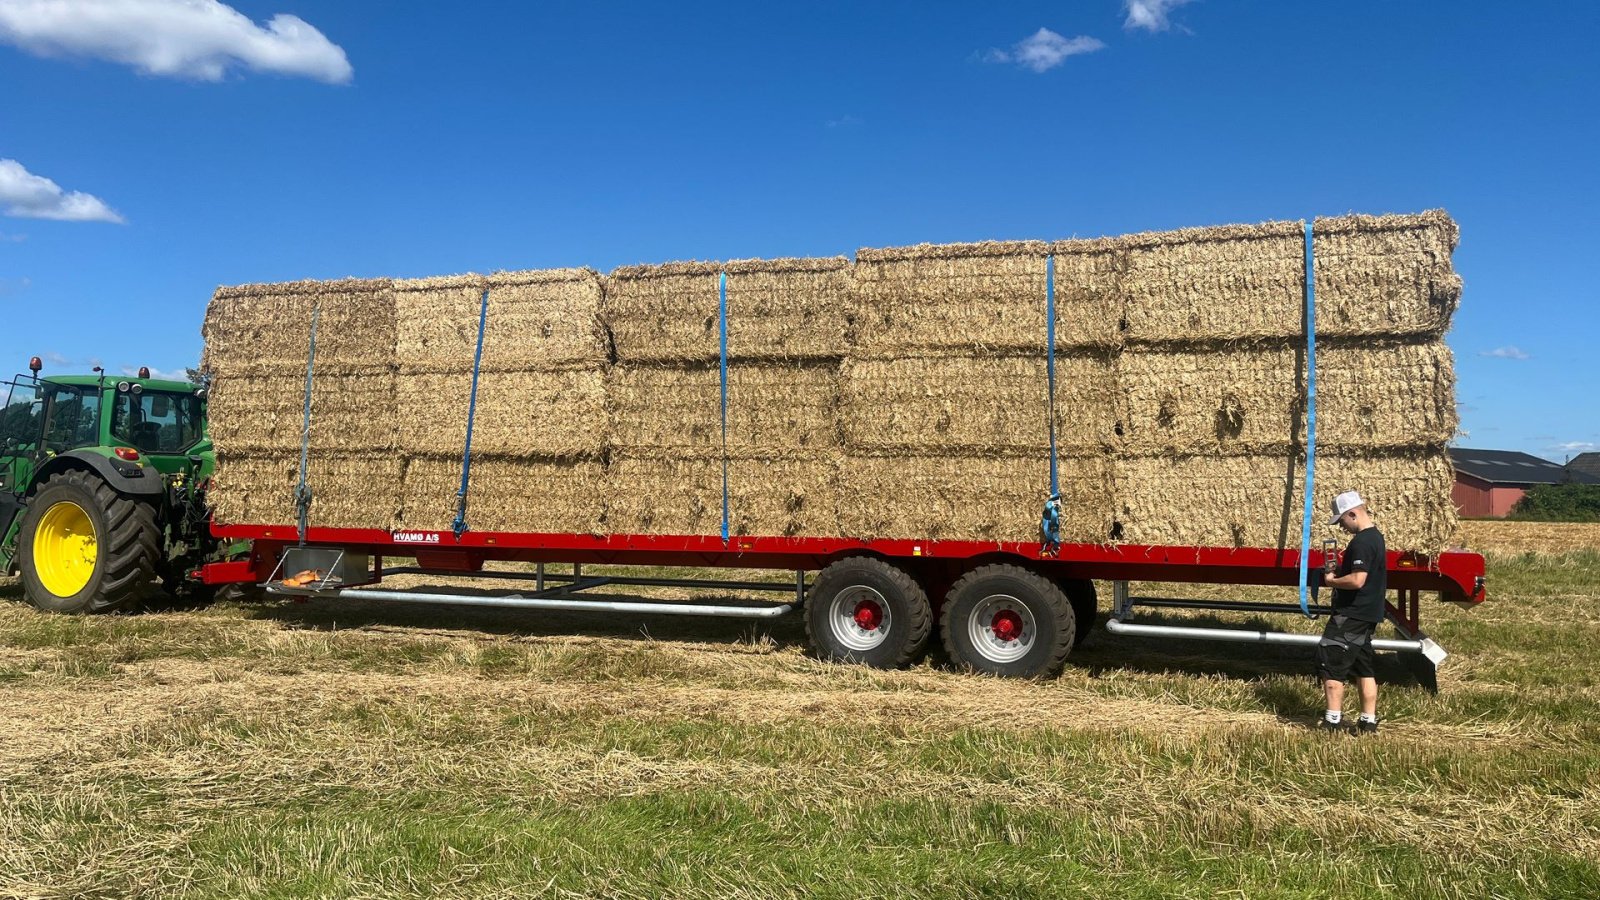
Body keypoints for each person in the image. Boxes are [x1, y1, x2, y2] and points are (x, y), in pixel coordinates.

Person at [1316, 490, 1386, 735]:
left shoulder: (1362, 542)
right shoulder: (1377, 537)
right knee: (1363, 667)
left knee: (1332, 661)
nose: (1342, 527)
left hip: (1352, 614)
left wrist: (1331, 580)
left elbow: (1357, 581)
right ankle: (1368, 722)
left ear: (1353, 513)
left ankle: (1332, 722)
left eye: (1342, 521)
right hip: (1369, 613)